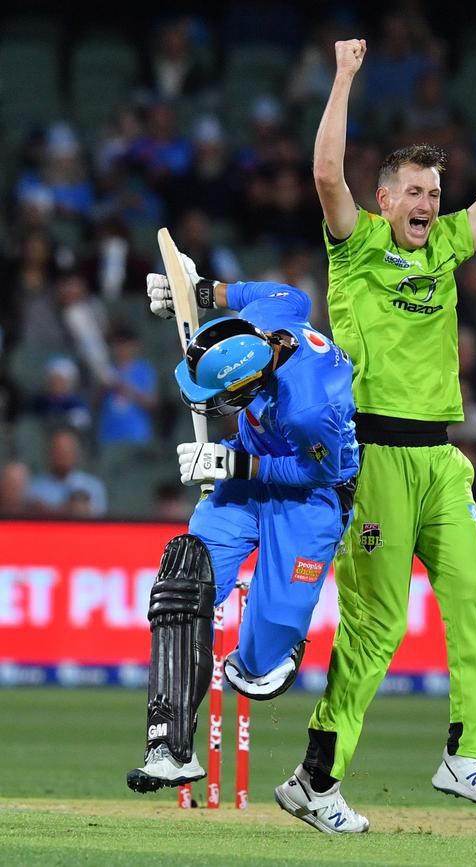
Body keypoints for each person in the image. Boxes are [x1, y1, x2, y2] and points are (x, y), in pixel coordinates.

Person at [273, 39, 476, 833]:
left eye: (435, 193)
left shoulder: (446, 246)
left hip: (441, 457)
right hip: (370, 456)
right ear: (386, 198)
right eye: (415, 192)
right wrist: (341, 77)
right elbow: (327, 176)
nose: (429, 206)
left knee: (474, 601)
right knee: (376, 626)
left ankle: (465, 753)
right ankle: (315, 778)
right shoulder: (356, 243)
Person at [126, 259, 359, 801]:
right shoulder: (267, 315)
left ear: (252, 383)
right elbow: (282, 291)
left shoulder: (309, 407)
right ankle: (168, 748)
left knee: (255, 672)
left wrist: (233, 466)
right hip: (251, 470)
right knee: (184, 575)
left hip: (311, 495)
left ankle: (278, 646)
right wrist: (202, 290)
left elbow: (319, 470)